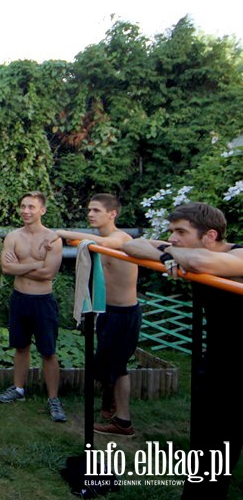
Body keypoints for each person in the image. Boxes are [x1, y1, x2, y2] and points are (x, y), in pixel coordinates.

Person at [123, 202, 243, 499]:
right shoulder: (181, 250)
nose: (173, 237)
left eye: (180, 232)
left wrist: (177, 256)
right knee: (208, 452)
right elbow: (133, 245)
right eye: (170, 232)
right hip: (218, 364)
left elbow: (203, 263)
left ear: (210, 235)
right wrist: (166, 254)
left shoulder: (239, 254)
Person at [41, 194, 140, 435]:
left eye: (96, 210)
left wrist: (64, 233)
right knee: (107, 366)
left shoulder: (119, 238)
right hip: (107, 311)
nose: (90, 214)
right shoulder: (99, 240)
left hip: (124, 313)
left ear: (112, 214)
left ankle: (123, 422)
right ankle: (111, 406)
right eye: (89, 210)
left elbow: (110, 244)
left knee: (117, 368)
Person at [0, 191, 66, 422]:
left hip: (43, 302)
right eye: (23, 206)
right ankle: (18, 389)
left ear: (42, 210)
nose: (26, 211)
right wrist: (37, 262)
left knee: (48, 351)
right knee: (21, 347)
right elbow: (6, 269)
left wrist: (21, 265)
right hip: (19, 299)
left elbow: (49, 273)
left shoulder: (52, 238)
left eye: (31, 207)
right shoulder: (13, 237)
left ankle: (53, 399)